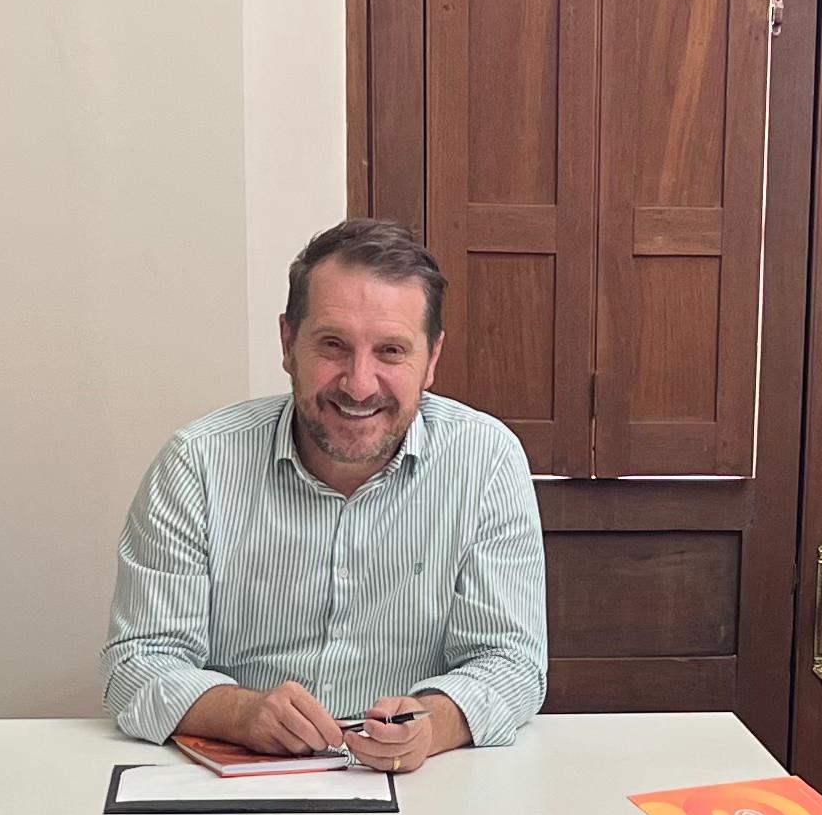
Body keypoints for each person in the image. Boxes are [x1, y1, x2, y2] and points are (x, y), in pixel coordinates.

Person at [102, 217, 546, 775]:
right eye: (333, 345)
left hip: (421, 787)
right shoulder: (198, 463)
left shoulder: (486, 460)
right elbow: (138, 663)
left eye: (391, 351)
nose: (359, 384)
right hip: (233, 788)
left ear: (432, 359)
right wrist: (241, 713)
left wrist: (431, 726)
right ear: (288, 343)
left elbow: (510, 662)